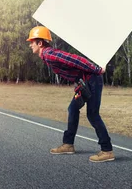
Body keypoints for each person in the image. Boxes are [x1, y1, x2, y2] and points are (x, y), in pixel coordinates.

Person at [27, 25, 114, 162]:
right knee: (73, 108)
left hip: (92, 79)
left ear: (40, 43)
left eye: (32, 42)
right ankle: (68, 144)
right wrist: (78, 83)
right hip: (84, 82)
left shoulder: (49, 54)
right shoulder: (47, 55)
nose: (30, 45)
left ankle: (107, 150)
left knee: (92, 114)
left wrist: (97, 69)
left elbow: (75, 60)